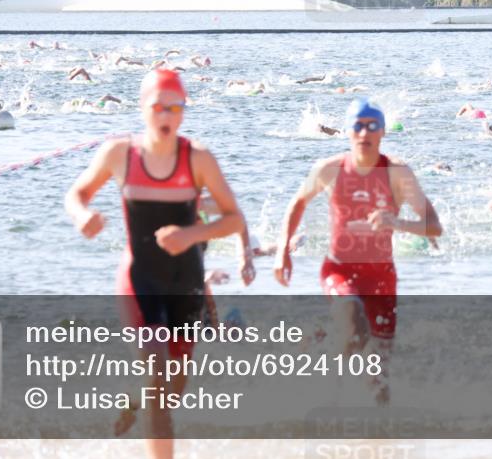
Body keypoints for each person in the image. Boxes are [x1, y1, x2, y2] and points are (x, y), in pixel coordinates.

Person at [65, 68, 246, 459]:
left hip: (185, 284)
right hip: (139, 279)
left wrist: (191, 235)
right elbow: (77, 193)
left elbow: (235, 218)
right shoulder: (119, 154)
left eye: (174, 107)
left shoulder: (198, 159)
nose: (166, 115)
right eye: (158, 107)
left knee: (171, 386)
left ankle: (134, 402)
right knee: (158, 374)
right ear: (143, 109)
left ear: (183, 112)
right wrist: (83, 216)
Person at [275, 98, 443, 405]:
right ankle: (325, 405)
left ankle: (382, 437)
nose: (364, 134)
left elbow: (434, 226)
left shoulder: (397, 173)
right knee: (354, 330)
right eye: (357, 126)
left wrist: (397, 222)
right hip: (340, 269)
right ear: (348, 132)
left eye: (372, 127)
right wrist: (282, 250)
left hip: (381, 277)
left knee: (376, 376)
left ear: (382, 133)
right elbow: (298, 203)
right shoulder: (329, 169)